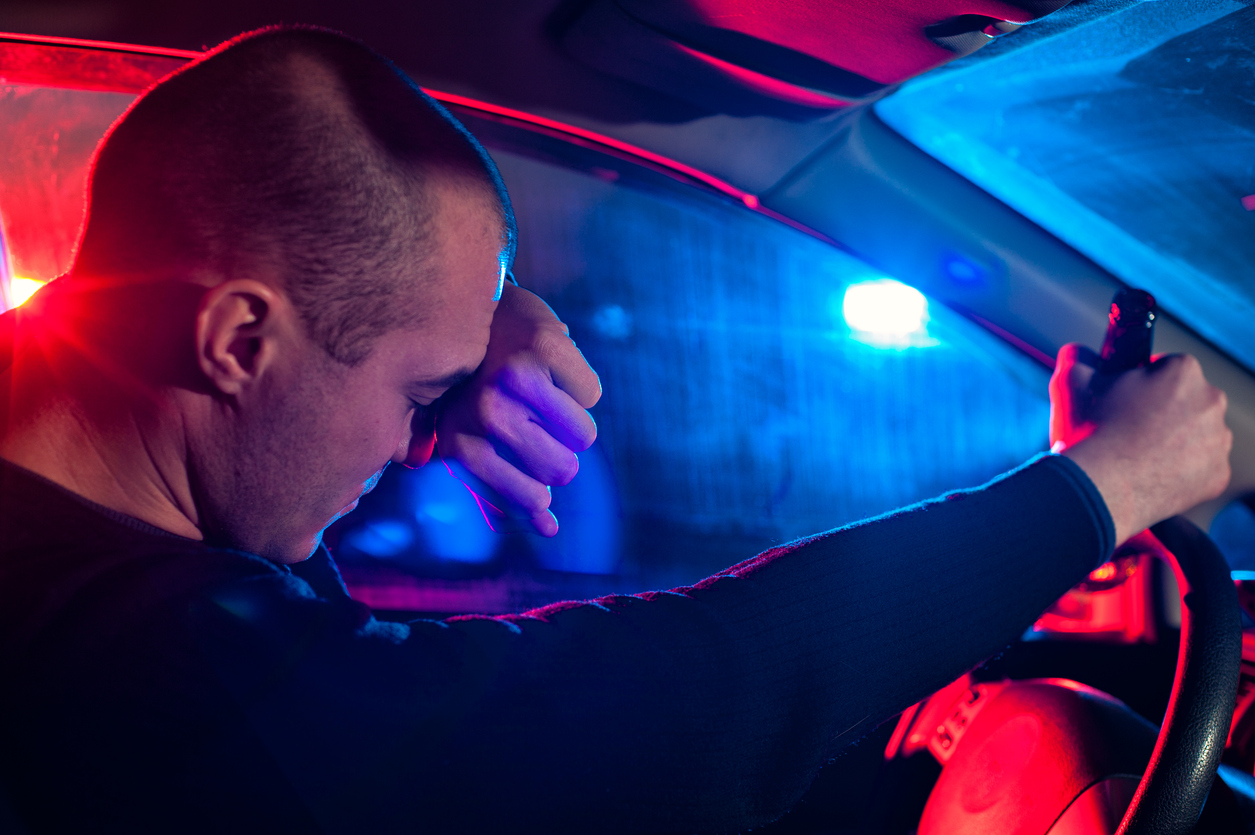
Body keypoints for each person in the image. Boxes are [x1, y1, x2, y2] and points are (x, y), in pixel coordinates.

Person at [0, 25, 1232, 835]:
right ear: (233, 341)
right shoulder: (136, 664)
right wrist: (1097, 489)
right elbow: (665, 708)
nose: (413, 449)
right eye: (421, 396)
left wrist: (456, 320)